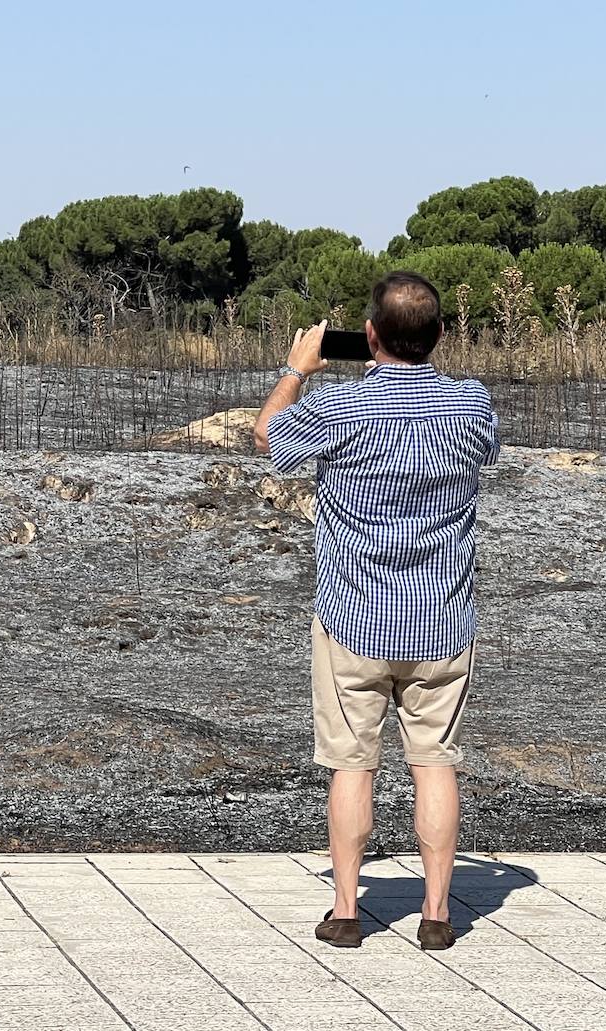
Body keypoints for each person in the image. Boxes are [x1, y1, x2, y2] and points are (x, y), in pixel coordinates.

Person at [253, 271, 499, 951]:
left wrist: (296, 369)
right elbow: (489, 445)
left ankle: (346, 911)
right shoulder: (471, 405)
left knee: (352, 765)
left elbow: (267, 437)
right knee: (435, 761)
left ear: (369, 337)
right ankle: (438, 912)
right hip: (443, 621)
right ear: (440, 335)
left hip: (355, 619)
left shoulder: (340, 409)